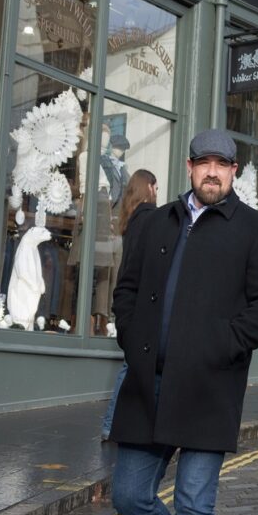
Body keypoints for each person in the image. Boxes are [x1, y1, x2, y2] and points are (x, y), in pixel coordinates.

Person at [108, 130, 258, 515]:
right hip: (149, 383)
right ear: (189, 167)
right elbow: (127, 291)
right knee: (129, 494)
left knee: (193, 505)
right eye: (204, 163)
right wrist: (133, 340)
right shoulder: (153, 221)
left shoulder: (253, 229)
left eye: (222, 164)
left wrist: (222, 347)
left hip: (210, 388)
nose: (213, 172)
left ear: (234, 172)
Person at [100, 169, 159, 441]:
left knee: (131, 365)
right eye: (155, 187)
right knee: (131, 366)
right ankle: (111, 424)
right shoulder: (150, 217)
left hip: (128, 300)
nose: (157, 192)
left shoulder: (131, 218)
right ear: (149, 187)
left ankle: (114, 424)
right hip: (140, 302)